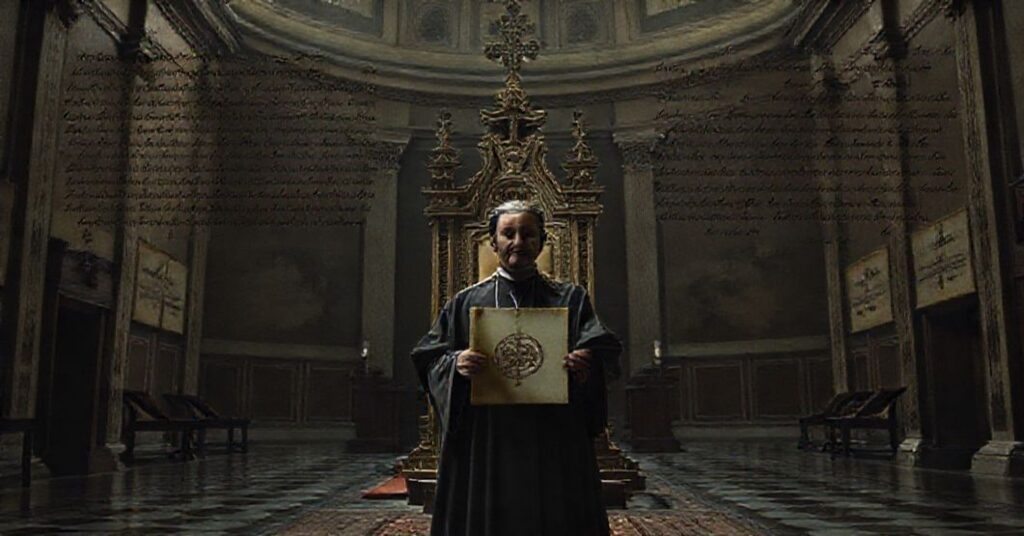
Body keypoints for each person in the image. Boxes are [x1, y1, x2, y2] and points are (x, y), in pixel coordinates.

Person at [411, 200, 622, 536]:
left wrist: (587, 363)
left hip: (552, 433)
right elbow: (428, 356)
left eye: (528, 234)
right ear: (493, 242)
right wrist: (454, 363)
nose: (518, 242)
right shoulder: (466, 302)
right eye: (508, 234)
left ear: (541, 241)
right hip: (489, 436)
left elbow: (601, 349)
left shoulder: (570, 298)